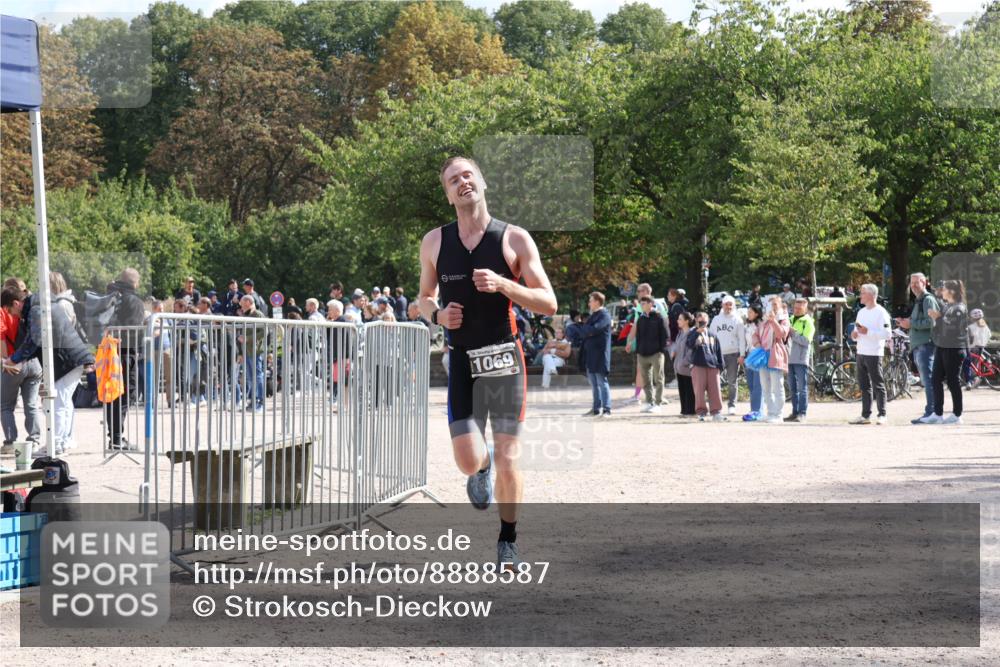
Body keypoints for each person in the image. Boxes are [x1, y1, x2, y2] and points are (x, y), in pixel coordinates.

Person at [418, 155, 557, 570]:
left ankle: (508, 539)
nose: (462, 183)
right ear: (447, 194)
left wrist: (504, 285)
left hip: (504, 359)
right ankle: (480, 470)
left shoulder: (514, 239)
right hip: (461, 360)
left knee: (509, 453)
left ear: (481, 182)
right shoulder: (434, 242)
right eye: (452, 180)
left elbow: (548, 302)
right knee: (467, 458)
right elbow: (422, 299)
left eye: (467, 175)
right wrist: (437, 315)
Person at [29, 273, 94, 456]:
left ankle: (58, 441)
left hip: (66, 358)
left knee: (60, 400)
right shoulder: (64, 303)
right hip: (70, 358)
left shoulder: (61, 305)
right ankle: (63, 439)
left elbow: (58, 333)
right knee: (64, 401)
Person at [105, 268, 145, 449]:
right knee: (125, 395)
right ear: (135, 283)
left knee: (112, 394)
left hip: (107, 350)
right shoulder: (134, 301)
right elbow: (134, 330)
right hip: (125, 353)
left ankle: (113, 436)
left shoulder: (110, 295)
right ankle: (116, 438)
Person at [920, 280, 968, 424]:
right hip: (942, 347)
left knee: (953, 381)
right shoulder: (948, 306)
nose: (942, 291)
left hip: (954, 348)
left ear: (952, 291)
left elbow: (952, 328)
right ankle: (937, 413)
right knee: (935, 379)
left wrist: (938, 318)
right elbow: (940, 327)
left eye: (944, 289)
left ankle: (957, 414)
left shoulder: (959, 308)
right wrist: (937, 319)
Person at [1, 285, 42, 450]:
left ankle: (11, 442)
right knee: (31, 404)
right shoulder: (31, 309)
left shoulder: (3, 311)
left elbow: (1, 338)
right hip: (34, 362)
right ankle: (34, 439)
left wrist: (5, 361)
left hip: (14, 362)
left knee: (5, 405)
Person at [894, 273, 938, 422]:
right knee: (926, 380)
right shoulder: (919, 301)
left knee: (928, 380)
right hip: (920, 345)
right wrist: (906, 322)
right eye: (911, 283)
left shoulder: (928, 300)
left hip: (926, 345)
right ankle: (931, 412)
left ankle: (932, 413)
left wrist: (911, 324)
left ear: (924, 282)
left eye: (916, 283)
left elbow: (932, 322)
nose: (913, 286)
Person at [849, 284, 892, 425]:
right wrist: (854, 335)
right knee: (864, 385)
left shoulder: (881, 312)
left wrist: (868, 332)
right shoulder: (861, 312)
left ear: (871, 295)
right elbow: (857, 331)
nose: (860, 295)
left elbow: (887, 334)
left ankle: (882, 414)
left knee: (878, 384)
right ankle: (865, 415)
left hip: (874, 353)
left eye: (862, 293)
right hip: (861, 351)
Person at [753, 296, 791, 424]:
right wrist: (757, 343)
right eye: (770, 305)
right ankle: (770, 412)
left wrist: (774, 321)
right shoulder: (764, 321)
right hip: (763, 355)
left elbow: (781, 335)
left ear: (780, 305)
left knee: (777, 385)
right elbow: (755, 334)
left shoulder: (783, 319)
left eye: (775, 304)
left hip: (775, 354)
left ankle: (778, 414)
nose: (772, 307)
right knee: (765, 386)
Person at [626, 283, 667, 403]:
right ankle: (640, 396)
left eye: (639, 291)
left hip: (655, 348)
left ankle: (657, 399)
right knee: (643, 373)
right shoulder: (640, 306)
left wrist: (663, 345)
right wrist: (629, 341)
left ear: (646, 292)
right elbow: (636, 325)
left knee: (658, 375)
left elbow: (665, 323)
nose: (637, 293)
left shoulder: (657, 304)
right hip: (643, 347)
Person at [709, 295, 746, 416]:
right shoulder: (716, 319)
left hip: (733, 354)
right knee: (714, 381)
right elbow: (711, 337)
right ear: (722, 305)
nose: (728, 307)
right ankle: (715, 405)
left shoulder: (737, 320)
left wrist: (742, 354)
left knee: (732, 381)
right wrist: (710, 352)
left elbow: (741, 339)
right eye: (726, 304)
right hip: (718, 354)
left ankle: (732, 405)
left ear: (733, 305)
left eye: (730, 304)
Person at [578, 292, 613, 418]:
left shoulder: (604, 315)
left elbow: (594, 329)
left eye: (591, 300)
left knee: (602, 382)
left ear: (597, 302)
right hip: (590, 355)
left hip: (600, 355)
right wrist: (588, 331)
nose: (589, 303)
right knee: (593, 384)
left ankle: (607, 409)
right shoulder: (593, 316)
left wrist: (589, 330)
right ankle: (596, 409)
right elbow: (584, 330)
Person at [687, 311, 726, 421]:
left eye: (704, 321)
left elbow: (718, 351)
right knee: (699, 390)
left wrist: (720, 365)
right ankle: (701, 412)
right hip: (698, 365)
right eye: (700, 321)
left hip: (713, 366)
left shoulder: (712, 335)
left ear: (708, 321)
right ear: (696, 321)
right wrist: (697, 333)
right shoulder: (692, 333)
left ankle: (716, 412)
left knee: (715, 390)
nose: (703, 323)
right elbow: (689, 345)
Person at [634, 295, 669, 412]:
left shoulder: (659, 317)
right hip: (642, 353)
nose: (641, 306)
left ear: (650, 304)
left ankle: (658, 404)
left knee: (658, 379)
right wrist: (638, 351)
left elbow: (665, 335)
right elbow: (638, 336)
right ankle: (650, 402)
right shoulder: (641, 319)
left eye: (643, 304)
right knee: (646, 380)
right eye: (641, 304)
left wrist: (661, 350)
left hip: (656, 353)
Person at [785, 297, 815, 423]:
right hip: (789, 359)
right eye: (795, 308)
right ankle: (794, 412)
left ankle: (802, 413)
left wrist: (793, 333)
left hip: (801, 360)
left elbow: (806, 341)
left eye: (799, 308)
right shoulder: (789, 320)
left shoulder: (808, 322)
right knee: (792, 388)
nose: (796, 310)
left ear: (805, 308)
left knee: (802, 388)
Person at [237, 294, 267, 411]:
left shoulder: (258, 314)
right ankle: (253, 401)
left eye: (242, 303)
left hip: (256, 351)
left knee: (257, 376)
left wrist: (247, 338)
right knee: (251, 377)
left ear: (249, 302)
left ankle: (260, 402)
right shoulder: (246, 315)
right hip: (247, 351)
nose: (241, 306)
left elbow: (265, 331)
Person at [671, 311, 697, 417]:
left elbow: (692, 350)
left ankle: (690, 410)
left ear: (687, 321)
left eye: (680, 319)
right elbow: (677, 346)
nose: (678, 321)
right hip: (678, 367)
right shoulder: (680, 333)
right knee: (682, 388)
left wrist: (684, 362)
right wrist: (673, 351)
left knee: (689, 389)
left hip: (687, 367)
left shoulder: (692, 333)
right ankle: (684, 410)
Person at [741, 304, 764, 422]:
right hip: (749, 356)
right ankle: (753, 410)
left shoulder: (761, 325)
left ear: (756, 313)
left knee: (757, 385)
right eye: (748, 312)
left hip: (758, 355)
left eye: (750, 312)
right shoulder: (747, 326)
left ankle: (758, 411)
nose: (748, 314)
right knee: (750, 385)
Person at [964, 309, 991, 388]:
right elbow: (989, 335)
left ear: (972, 318)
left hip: (974, 348)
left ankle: (970, 381)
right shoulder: (985, 326)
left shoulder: (970, 327)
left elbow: (969, 339)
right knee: (976, 364)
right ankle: (977, 379)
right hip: (982, 347)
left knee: (968, 364)